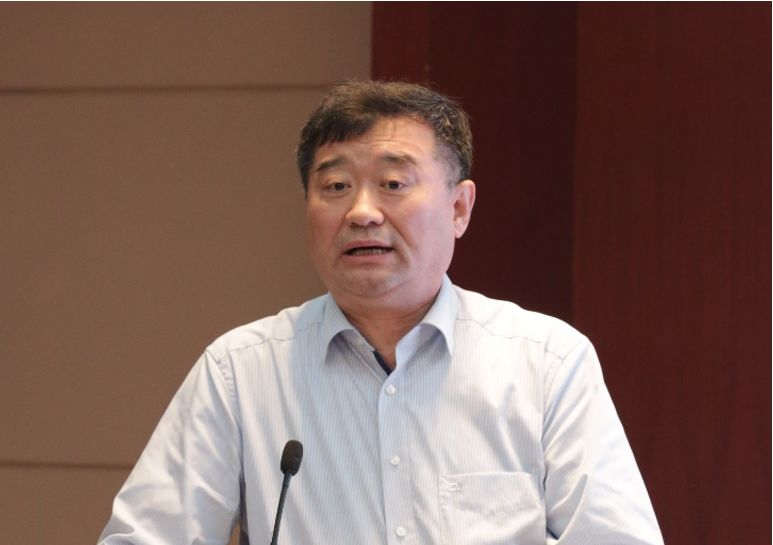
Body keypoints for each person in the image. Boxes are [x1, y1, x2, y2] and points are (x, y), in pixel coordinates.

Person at [98, 80, 663, 545]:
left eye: (393, 183)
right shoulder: (240, 373)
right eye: (336, 185)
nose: (362, 212)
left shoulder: (546, 363)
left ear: (459, 207)